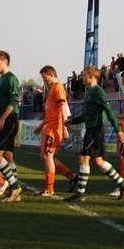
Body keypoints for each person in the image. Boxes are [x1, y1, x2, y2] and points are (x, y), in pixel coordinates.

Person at [63, 66, 124, 203]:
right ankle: (122, 183)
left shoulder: (98, 92)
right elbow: (87, 115)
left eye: (84, 74)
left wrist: (118, 129)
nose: (82, 77)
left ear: (91, 76)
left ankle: (80, 193)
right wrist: (72, 121)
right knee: (98, 161)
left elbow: (109, 111)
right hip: (91, 128)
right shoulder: (89, 92)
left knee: (83, 158)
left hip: (96, 130)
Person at [33, 65, 78, 196]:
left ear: (51, 74)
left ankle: (50, 188)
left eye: (44, 77)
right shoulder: (53, 89)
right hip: (50, 127)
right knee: (45, 156)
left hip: (54, 129)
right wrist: (41, 126)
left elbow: (63, 108)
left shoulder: (58, 88)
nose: (44, 80)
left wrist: (64, 127)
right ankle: (72, 177)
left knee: (48, 156)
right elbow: (51, 113)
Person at [0, 50, 23, 203]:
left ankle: (15, 186)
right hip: (2, 120)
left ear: (5, 61)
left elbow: (13, 102)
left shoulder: (11, 79)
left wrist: (2, 118)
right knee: (8, 156)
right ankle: (15, 191)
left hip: (9, 121)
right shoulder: (0, 80)